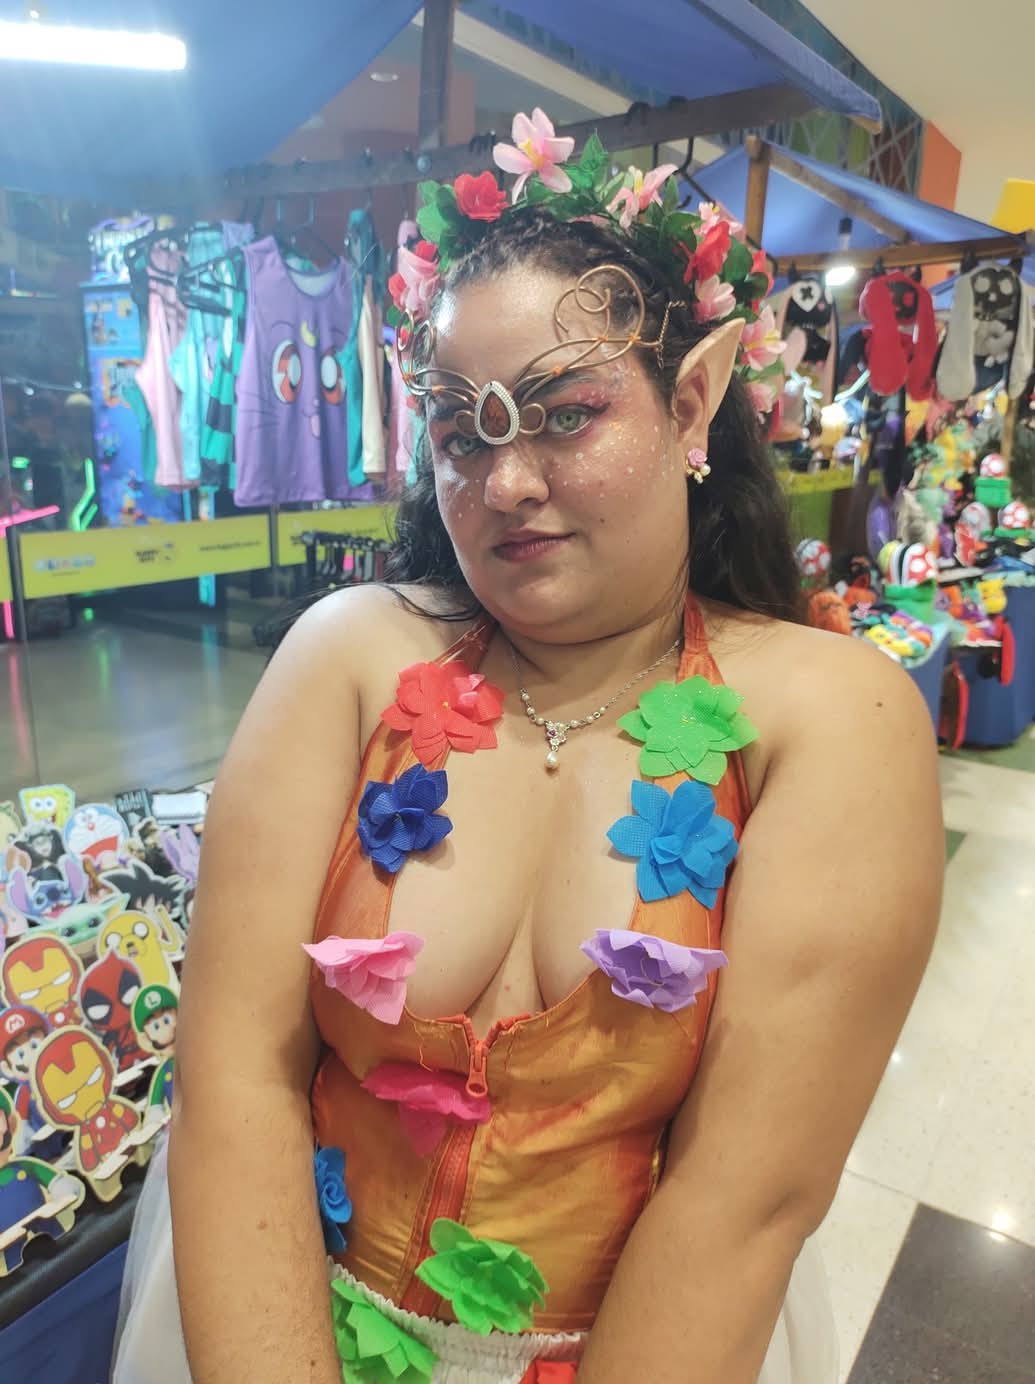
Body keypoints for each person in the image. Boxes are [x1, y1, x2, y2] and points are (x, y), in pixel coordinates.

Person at [113, 114, 942, 1384]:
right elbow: (234, 1078)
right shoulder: (348, 659)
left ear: (691, 403)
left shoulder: (829, 720)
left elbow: (741, 1202)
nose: (504, 482)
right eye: (463, 432)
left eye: (564, 414)